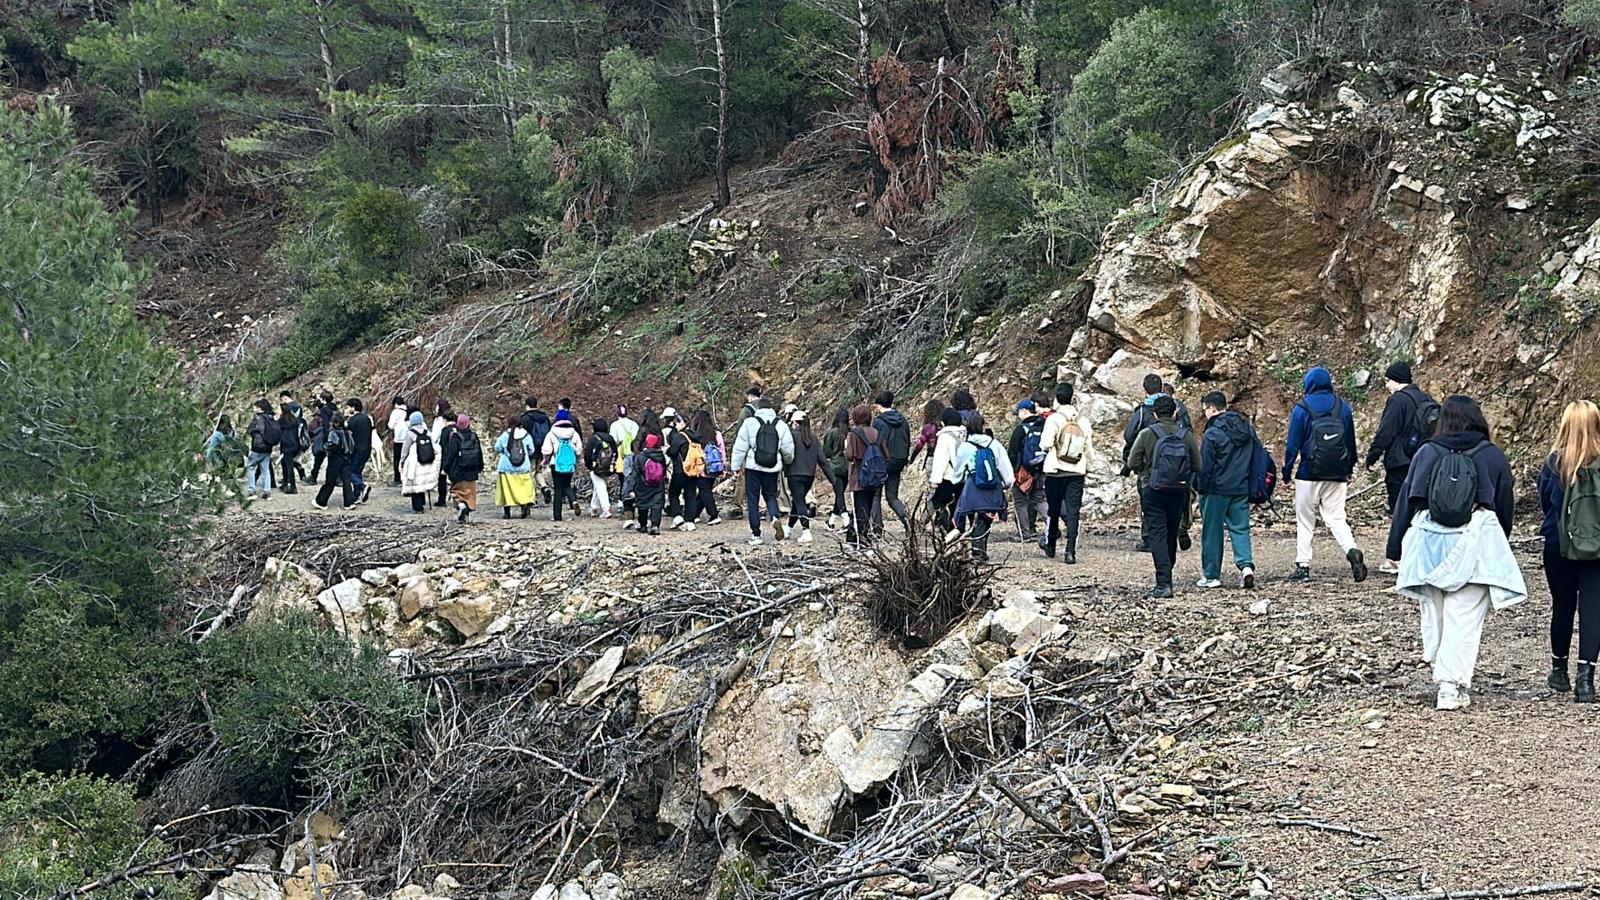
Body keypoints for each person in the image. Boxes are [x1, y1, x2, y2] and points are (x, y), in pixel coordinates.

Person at [1390, 396, 1522, 711]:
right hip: (1476, 540)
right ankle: (1450, 686)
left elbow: (1407, 499)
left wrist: (1394, 546)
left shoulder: (1427, 452)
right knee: (1464, 617)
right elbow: (1504, 504)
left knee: (1434, 612)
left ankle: (1441, 665)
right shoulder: (1492, 455)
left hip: (1430, 543)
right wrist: (1499, 539)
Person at [1538, 401, 1600, 702]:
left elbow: (1545, 502)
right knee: (1593, 609)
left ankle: (1559, 671)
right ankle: (1585, 681)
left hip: (1558, 544)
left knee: (1562, 605)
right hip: (1597, 547)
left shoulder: (1554, 463)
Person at [1284, 366, 1367, 583]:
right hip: (1337, 473)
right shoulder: (1343, 407)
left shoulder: (1302, 408)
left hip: (1308, 474)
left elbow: (1292, 445)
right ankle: (1351, 550)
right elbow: (1350, 443)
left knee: (1305, 521)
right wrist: (1349, 469)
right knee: (1337, 518)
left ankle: (1303, 566)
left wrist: (1286, 472)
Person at [1123, 396, 1201, 599]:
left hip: (1152, 489)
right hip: (1178, 491)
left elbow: (1132, 462)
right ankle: (1167, 574)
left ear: (1155, 414)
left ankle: (1163, 583)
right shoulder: (1186, 435)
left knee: (1157, 533)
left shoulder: (1147, 434)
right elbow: (1197, 465)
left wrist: (1146, 472)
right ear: (1175, 413)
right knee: (1171, 532)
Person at [1366, 362, 1437, 573]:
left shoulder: (1398, 400)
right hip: (1425, 462)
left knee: (1400, 511)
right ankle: (1421, 556)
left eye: (1388, 380)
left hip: (1400, 463)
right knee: (1421, 509)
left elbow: (1386, 430)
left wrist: (1373, 454)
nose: (1387, 385)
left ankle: (1396, 558)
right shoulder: (1426, 399)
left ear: (1397, 380)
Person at [1122, 374, 1192, 552]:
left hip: (1150, 466)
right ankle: (1177, 529)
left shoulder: (1142, 411)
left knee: (1150, 501)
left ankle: (1149, 539)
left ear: (1145, 391)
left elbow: (1129, 435)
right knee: (1177, 498)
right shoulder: (1178, 407)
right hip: (1178, 464)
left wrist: (1135, 462)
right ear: (1162, 388)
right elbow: (1188, 431)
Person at [1196, 392, 1258, 590]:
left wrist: (1199, 487)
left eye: (1205, 409)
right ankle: (1246, 566)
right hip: (1241, 486)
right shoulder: (1246, 429)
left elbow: (1205, 466)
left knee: (1212, 532)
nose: (1205, 414)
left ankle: (1212, 575)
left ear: (1212, 409)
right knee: (1240, 529)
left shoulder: (1212, 433)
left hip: (1216, 489)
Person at [731, 397, 795, 546]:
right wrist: (787, 461)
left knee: (752, 499)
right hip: (772, 467)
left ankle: (756, 534)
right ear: (771, 409)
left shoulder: (749, 423)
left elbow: (740, 447)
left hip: (753, 467)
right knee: (770, 495)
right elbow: (788, 449)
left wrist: (735, 467)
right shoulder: (781, 424)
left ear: (758, 409)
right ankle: (774, 517)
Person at [1039, 382, 1092, 564]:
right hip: (1077, 471)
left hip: (1055, 470)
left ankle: (1051, 544)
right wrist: (1088, 467)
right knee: (1073, 511)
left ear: (1056, 398)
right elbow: (1088, 448)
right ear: (1072, 397)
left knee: (1053, 509)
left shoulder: (1054, 419)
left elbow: (1046, 443)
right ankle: (1070, 551)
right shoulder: (1083, 420)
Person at [953, 412, 1015, 561]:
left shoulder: (965, 447)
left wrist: (959, 480)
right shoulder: (995, 444)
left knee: (973, 518)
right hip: (993, 487)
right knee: (985, 520)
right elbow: (1006, 470)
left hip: (973, 488)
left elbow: (957, 474)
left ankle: (978, 550)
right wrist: (1007, 484)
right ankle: (980, 549)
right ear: (983, 426)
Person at [1006, 399, 1048, 542]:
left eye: (1019, 412)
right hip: (1041, 468)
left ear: (1024, 411)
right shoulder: (1043, 425)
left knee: (1020, 501)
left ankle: (1024, 533)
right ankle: (1052, 527)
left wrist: (1012, 471)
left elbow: (1012, 452)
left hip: (1023, 472)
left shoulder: (1021, 429)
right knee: (1039, 499)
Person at [844, 404, 885, 548]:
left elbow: (850, 455)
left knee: (859, 511)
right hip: (874, 477)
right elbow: (885, 454)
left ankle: (862, 542)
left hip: (858, 477)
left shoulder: (853, 434)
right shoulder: (877, 433)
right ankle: (865, 540)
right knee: (868, 507)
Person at [872, 392, 912, 533]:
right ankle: (908, 520)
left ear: (878, 405)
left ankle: (877, 529)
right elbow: (908, 440)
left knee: (875, 495)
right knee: (892, 496)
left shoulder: (878, 422)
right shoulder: (903, 420)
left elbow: (875, 443)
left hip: (882, 461)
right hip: (898, 461)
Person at [927, 408, 968, 531]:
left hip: (949, 476)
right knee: (958, 506)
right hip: (964, 476)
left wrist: (935, 480)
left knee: (938, 502)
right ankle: (958, 530)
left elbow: (940, 459)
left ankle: (934, 526)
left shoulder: (944, 436)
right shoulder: (965, 433)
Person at [785, 411, 822, 544]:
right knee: (797, 502)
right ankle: (788, 529)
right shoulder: (814, 438)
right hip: (809, 477)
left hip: (794, 475)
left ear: (795, 423)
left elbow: (786, 453)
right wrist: (832, 479)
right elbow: (822, 460)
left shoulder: (791, 436)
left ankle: (806, 532)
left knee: (799, 502)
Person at [442, 413, 484, 524]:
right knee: (469, 493)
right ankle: (466, 515)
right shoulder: (474, 436)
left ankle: (461, 505)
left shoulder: (455, 437)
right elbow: (479, 453)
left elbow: (451, 454)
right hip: (472, 470)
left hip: (458, 470)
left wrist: (446, 468)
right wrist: (480, 467)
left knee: (456, 492)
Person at [542, 410, 584, 521]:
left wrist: (545, 461)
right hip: (570, 463)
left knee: (558, 488)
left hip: (556, 464)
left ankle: (557, 515)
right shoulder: (574, 433)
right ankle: (573, 500)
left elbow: (547, 450)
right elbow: (579, 450)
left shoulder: (551, 433)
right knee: (566, 484)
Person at [494, 415, 537, 519]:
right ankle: (524, 505)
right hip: (523, 467)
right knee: (524, 488)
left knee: (506, 491)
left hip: (506, 467)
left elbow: (497, 448)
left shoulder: (505, 435)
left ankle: (507, 512)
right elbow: (531, 450)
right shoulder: (526, 435)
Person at [690, 409, 726, 525]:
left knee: (704, 491)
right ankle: (695, 514)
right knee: (705, 491)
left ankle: (713, 514)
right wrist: (723, 466)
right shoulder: (717, 434)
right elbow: (722, 451)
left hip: (702, 467)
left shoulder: (695, 435)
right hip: (715, 467)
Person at [313, 412, 356, 510]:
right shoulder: (347, 433)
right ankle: (349, 503)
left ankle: (321, 501)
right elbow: (352, 445)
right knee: (346, 481)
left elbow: (333, 445)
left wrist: (325, 447)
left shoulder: (333, 433)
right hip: (346, 458)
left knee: (330, 481)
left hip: (335, 459)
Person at [400, 411, 440, 514]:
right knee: (422, 482)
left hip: (415, 462)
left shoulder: (410, 433)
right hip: (427, 460)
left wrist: (402, 461)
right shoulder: (427, 432)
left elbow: (405, 449)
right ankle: (423, 502)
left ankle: (418, 508)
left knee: (415, 484)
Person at [631, 433, 670, 535]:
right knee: (657, 505)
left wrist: (631, 487)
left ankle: (643, 525)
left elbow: (635, 473)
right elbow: (663, 471)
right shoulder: (661, 456)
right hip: (658, 485)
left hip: (643, 485)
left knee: (642, 505)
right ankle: (655, 526)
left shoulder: (640, 457)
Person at [821, 407, 851, 529]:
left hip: (835, 466)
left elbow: (826, 452)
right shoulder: (850, 433)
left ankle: (846, 519)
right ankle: (832, 520)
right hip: (848, 467)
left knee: (839, 494)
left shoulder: (832, 433)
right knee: (840, 493)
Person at [521, 397, 553, 504]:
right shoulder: (545, 417)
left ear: (527, 405)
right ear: (536, 405)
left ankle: (533, 497)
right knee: (538, 471)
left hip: (530, 449)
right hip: (542, 448)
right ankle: (544, 487)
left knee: (529, 472)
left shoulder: (525, 418)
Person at [245, 399, 279, 500]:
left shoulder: (258, 418)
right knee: (266, 470)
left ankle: (251, 491)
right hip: (268, 447)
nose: (254, 409)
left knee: (250, 467)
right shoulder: (271, 417)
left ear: (259, 408)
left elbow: (250, 430)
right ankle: (267, 492)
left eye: (255, 407)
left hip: (257, 447)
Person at [586, 418, 619, 519]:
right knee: (599, 486)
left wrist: (589, 466)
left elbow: (588, 454)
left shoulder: (593, 439)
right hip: (608, 467)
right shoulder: (610, 439)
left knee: (600, 486)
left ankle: (606, 509)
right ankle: (594, 507)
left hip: (596, 467)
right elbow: (616, 452)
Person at [611, 405, 640, 514]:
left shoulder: (615, 425)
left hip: (621, 453)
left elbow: (613, 440)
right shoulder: (634, 424)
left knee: (622, 478)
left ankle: (622, 500)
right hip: (634, 452)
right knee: (634, 476)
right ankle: (634, 498)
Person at [345, 398, 374, 505]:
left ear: (353, 407)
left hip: (357, 449)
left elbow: (348, 434)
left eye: (348, 407)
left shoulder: (352, 420)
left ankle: (362, 486)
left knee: (350, 471)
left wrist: (345, 418)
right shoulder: (367, 418)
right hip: (367, 448)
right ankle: (356, 496)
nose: (346, 409)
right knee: (357, 472)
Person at [277, 393, 306, 495]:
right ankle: (287, 482)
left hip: (287, 444)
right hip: (295, 443)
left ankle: (290, 485)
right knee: (287, 463)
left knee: (287, 465)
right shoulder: (295, 420)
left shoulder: (282, 421)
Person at [432, 400, 457, 508]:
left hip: (444, 454)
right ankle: (457, 498)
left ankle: (442, 500)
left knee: (442, 477)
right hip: (456, 455)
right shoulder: (457, 427)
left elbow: (437, 439)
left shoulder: (441, 423)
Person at [909, 399, 945, 472]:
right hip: (945, 458)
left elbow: (919, 445)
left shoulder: (928, 428)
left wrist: (912, 458)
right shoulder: (945, 425)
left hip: (932, 458)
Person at [387, 396, 409, 485]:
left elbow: (391, 425)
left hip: (399, 439)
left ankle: (397, 479)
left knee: (397, 459)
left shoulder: (395, 412)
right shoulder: (408, 411)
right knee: (406, 458)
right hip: (408, 438)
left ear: (395, 404)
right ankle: (407, 478)